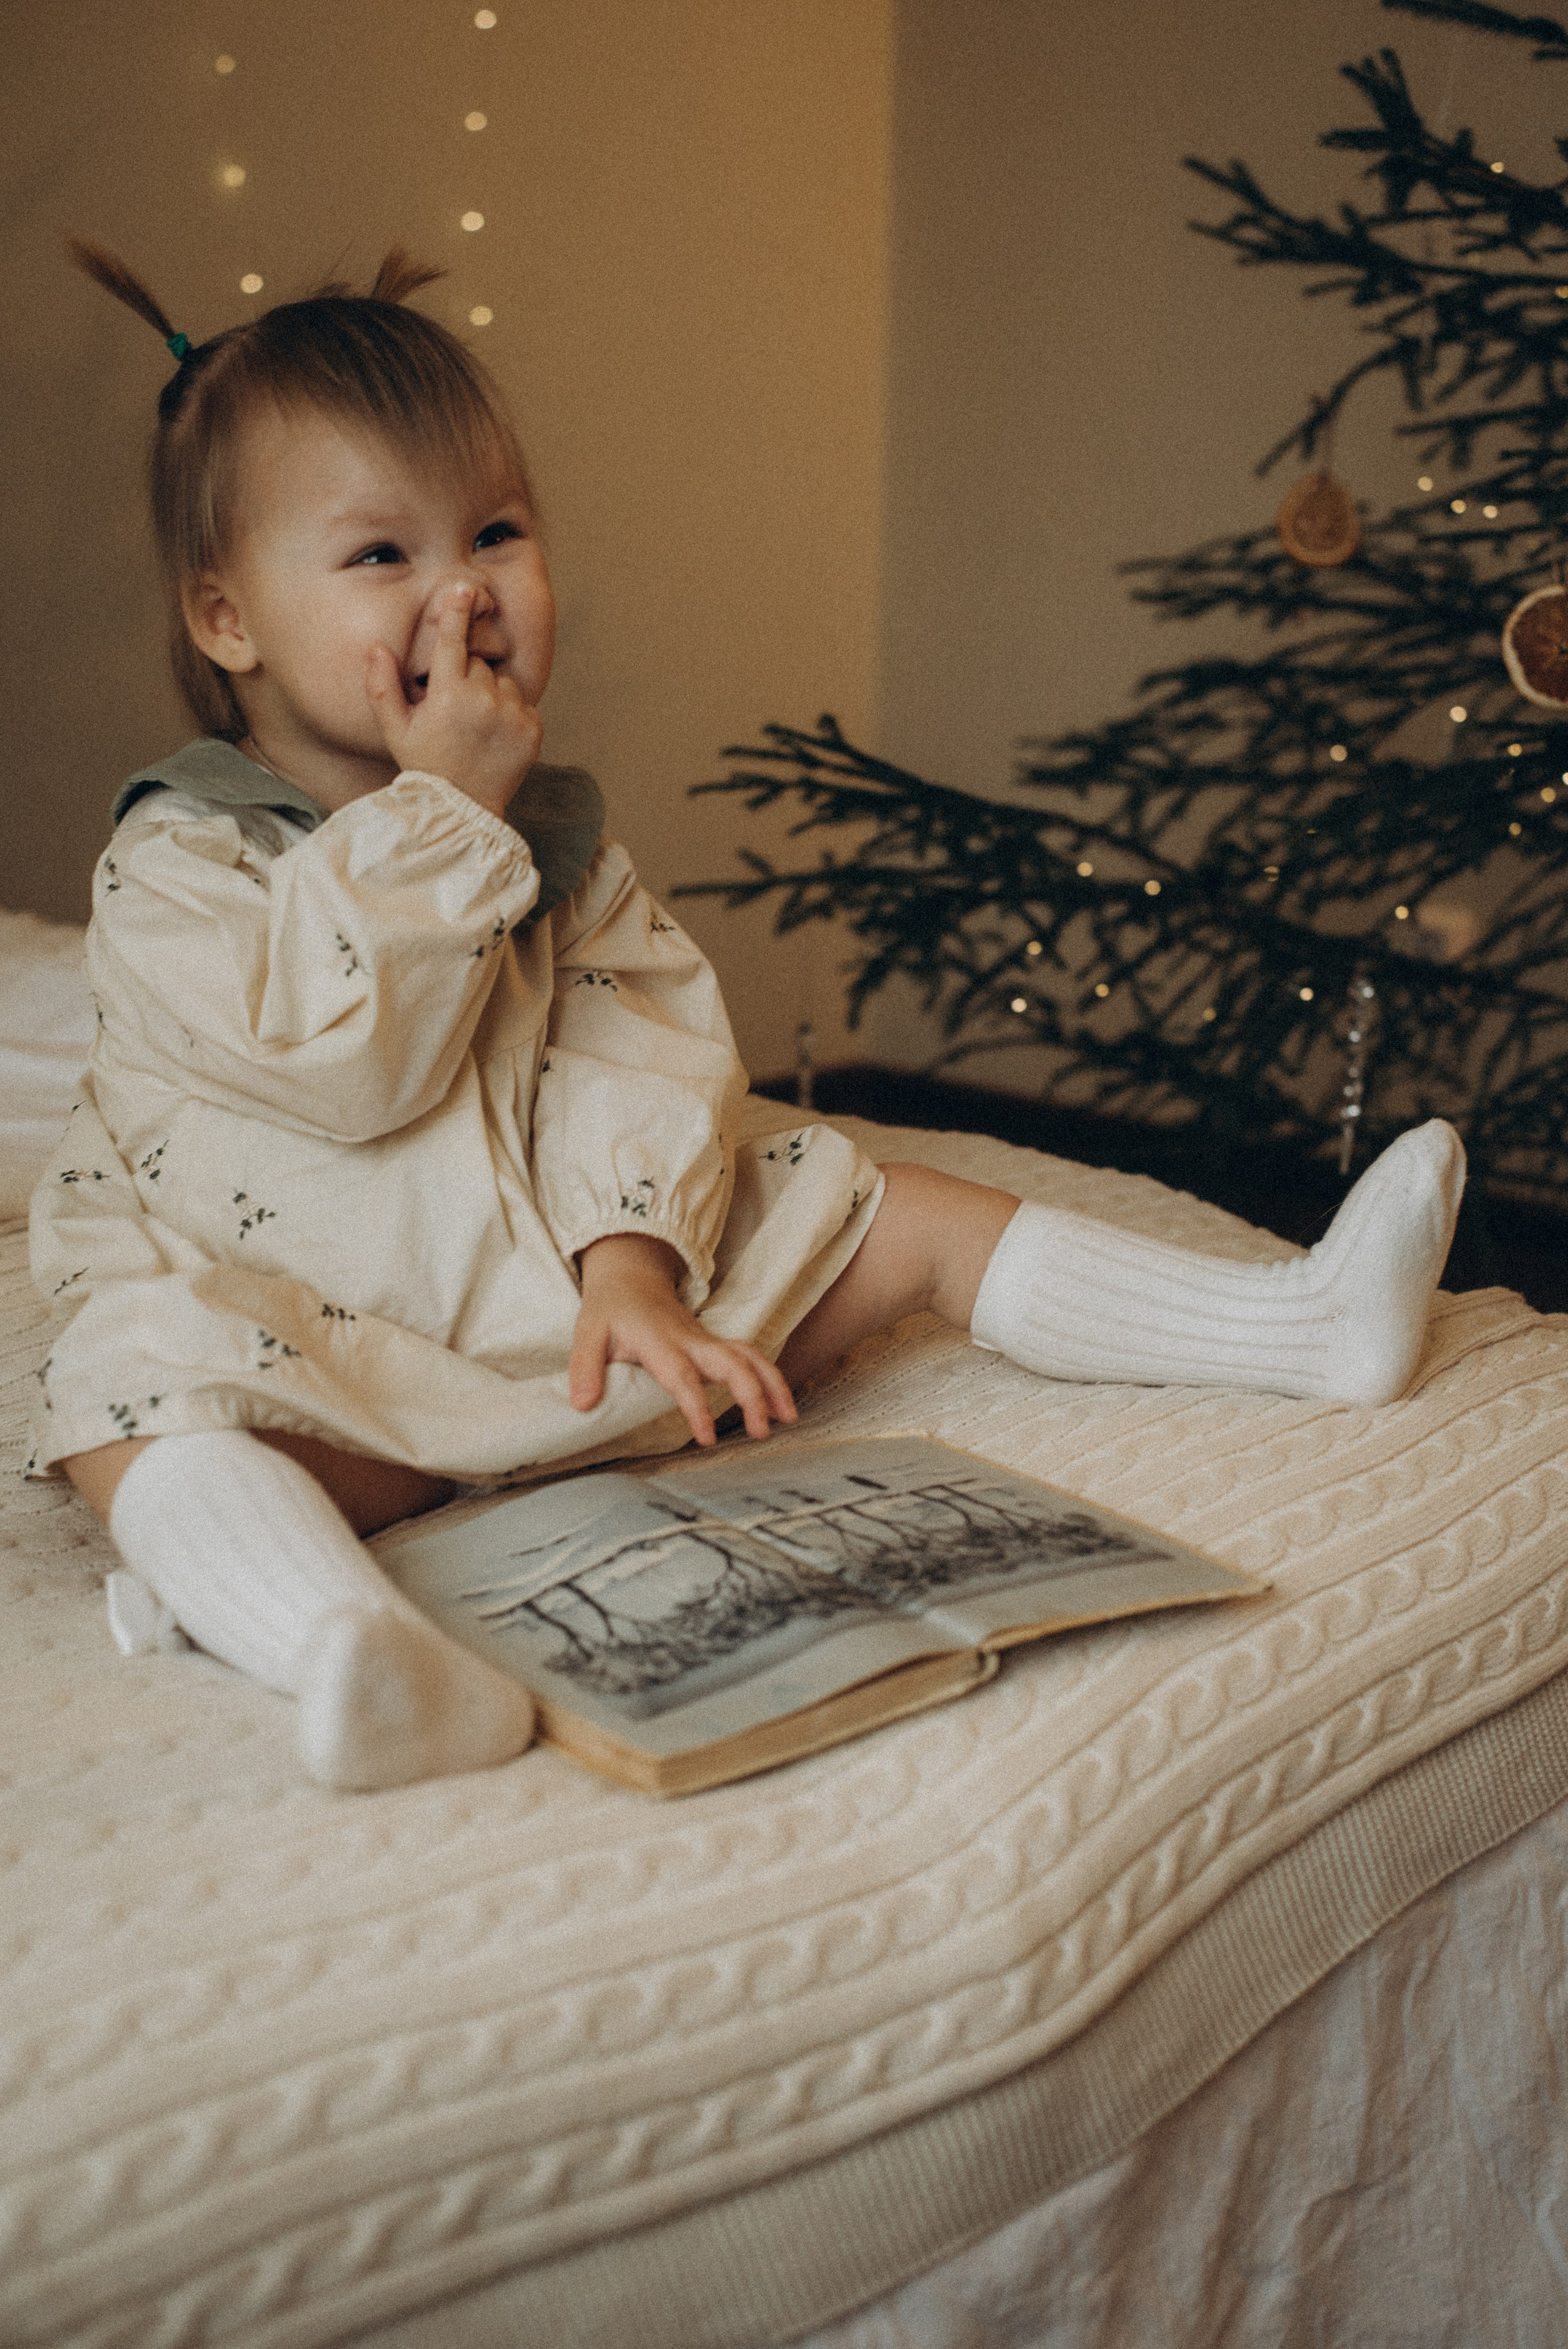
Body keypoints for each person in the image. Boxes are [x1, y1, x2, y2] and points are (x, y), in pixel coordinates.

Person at [31, 243, 1467, 1793]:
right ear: (228, 620)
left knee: (876, 1202)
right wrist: (443, 808)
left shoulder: (541, 836)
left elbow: (630, 1056)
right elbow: (344, 1072)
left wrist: (635, 1274)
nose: (465, 590)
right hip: (336, 1366)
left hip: (570, 1337)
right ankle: (347, 1648)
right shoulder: (176, 860)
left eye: (497, 533)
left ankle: (1302, 1327)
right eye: (382, 555)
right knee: (128, 1387)